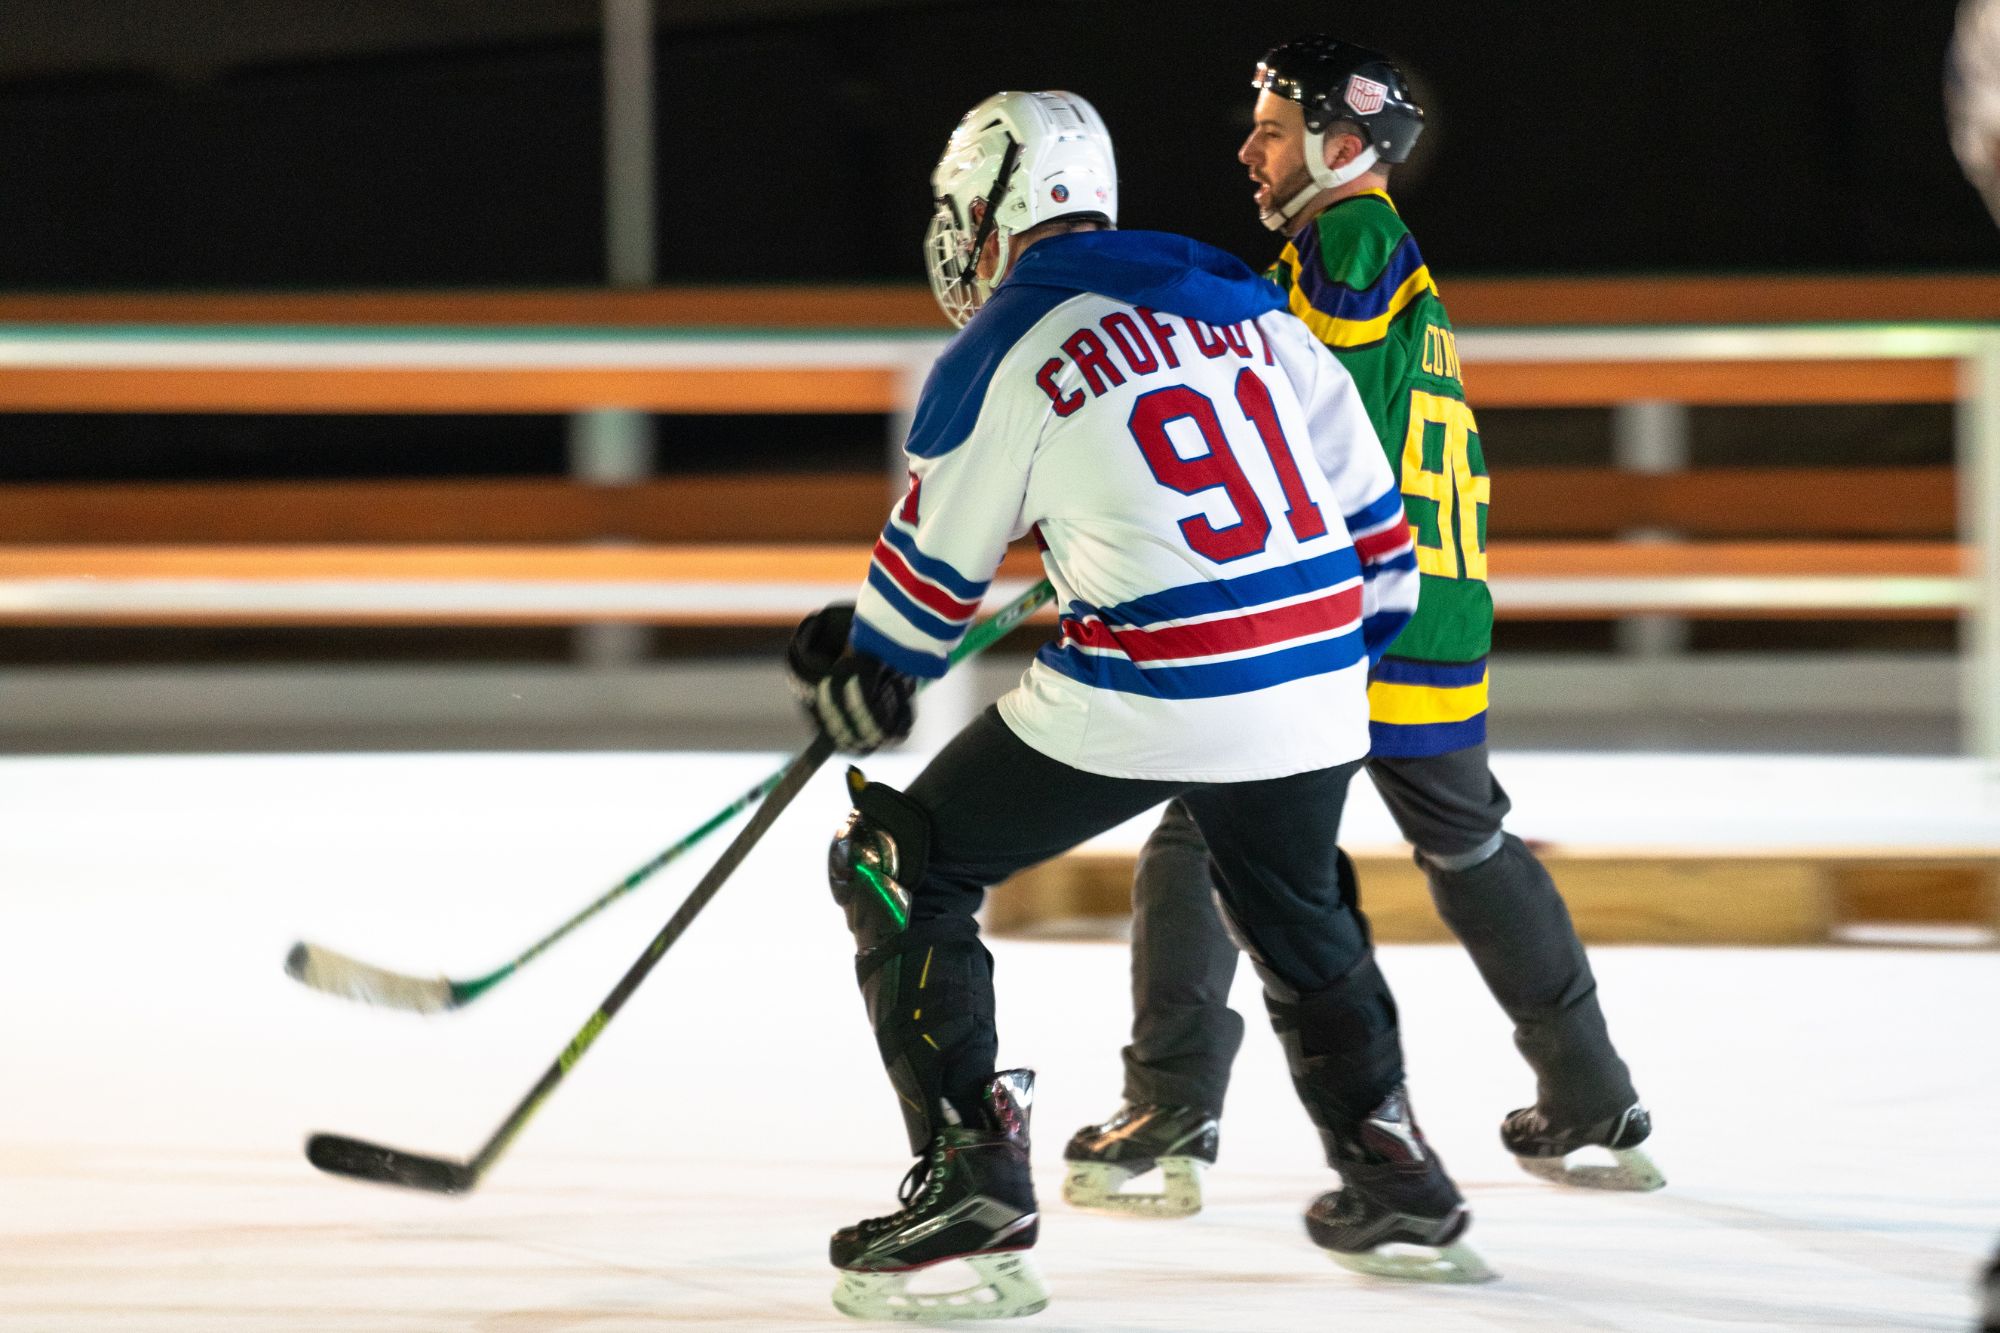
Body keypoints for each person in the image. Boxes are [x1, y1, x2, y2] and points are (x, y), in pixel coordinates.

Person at [787, 89, 1490, 1322]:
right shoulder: (1241, 296)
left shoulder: (1002, 344)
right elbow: (1377, 525)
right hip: (1322, 663)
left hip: (1161, 679)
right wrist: (1309, 679)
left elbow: (920, 610)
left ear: (999, 207)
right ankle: (1397, 1177)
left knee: (896, 864)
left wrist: (860, 665)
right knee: (1293, 903)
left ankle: (971, 1187)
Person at [1062, 36, 1661, 1221]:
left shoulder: (1346, 238)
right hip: (1435, 606)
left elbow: (1274, 414)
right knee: (1469, 845)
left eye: (1273, 131)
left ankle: (1167, 1112)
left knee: (1199, 832)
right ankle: (1591, 1098)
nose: (1247, 149)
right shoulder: (1396, 270)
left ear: (1345, 149)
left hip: (1349, 607)